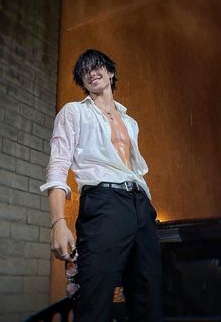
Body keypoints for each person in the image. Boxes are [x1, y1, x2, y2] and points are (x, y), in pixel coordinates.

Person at [40, 49, 162, 322]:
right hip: (104, 204)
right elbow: (58, 165)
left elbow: (132, 169)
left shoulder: (131, 123)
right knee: (95, 299)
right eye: (85, 71)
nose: (92, 73)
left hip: (140, 205)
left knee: (149, 299)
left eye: (97, 67)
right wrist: (58, 221)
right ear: (82, 81)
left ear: (110, 72)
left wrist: (145, 207)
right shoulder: (73, 112)